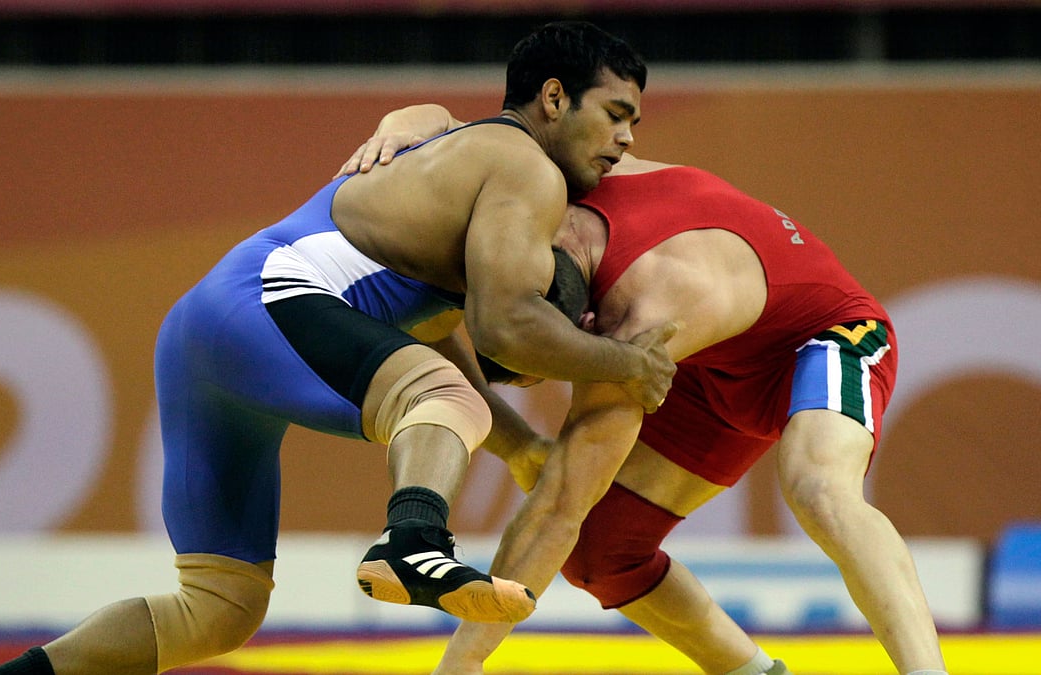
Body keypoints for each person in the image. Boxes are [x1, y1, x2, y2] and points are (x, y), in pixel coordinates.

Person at [0, 22, 680, 675]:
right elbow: (505, 329)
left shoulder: (455, 151)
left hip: (208, 331)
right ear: (554, 98)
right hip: (265, 302)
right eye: (616, 115)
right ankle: (412, 541)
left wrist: (522, 445)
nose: (626, 141)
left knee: (218, 606)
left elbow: (438, 330)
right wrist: (628, 362)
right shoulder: (526, 168)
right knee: (439, 397)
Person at [344, 106, 950, 675]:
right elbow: (446, 120)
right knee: (600, 554)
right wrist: (397, 127)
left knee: (818, 488)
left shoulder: (639, 323)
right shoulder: (546, 178)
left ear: (581, 330)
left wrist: (463, 664)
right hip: (709, 367)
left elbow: (560, 503)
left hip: (822, 335)